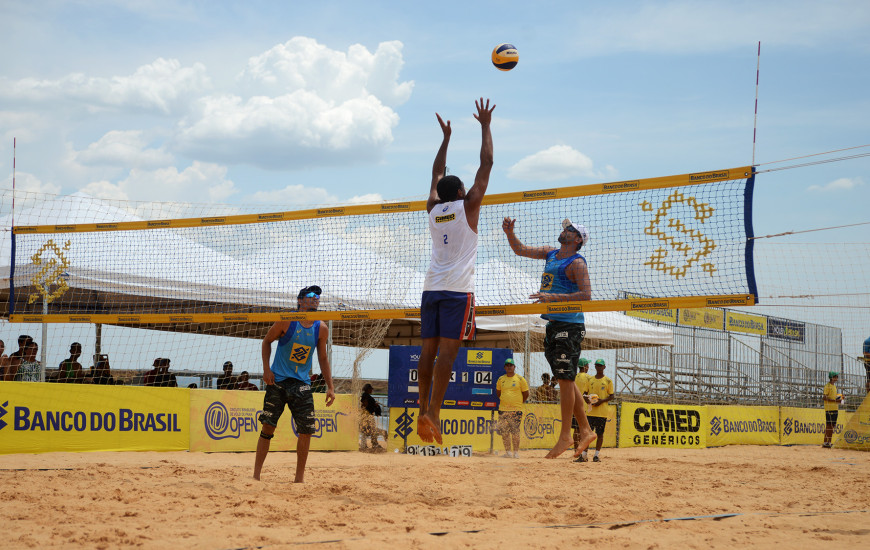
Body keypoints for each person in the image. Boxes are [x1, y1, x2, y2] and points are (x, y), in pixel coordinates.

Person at [417, 97, 495, 445]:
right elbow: (488, 162)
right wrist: (485, 125)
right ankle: (433, 413)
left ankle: (422, 408)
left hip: (431, 288)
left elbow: (436, 174)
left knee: (428, 353)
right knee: (447, 355)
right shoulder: (469, 205)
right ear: (462, 191)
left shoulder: (433, 209)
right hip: (456, 291)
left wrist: (445, 139)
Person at [503, 216, 595, 459]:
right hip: (553, 325)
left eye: (569, 228)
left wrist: (554, 298)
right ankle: (585, 430)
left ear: (577, 239)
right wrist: (510, 232)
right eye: (565, 227)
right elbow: (520, 250)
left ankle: (566, 435)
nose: (564, 229)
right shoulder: (551, 253)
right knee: (567, 379)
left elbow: (586, 295)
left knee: (566, 379)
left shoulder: (577, 263)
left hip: (570, 325)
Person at [254, 285, 336, 483]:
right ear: (300, 301)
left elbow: (323, 358)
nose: (315, 298)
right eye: (310, 295)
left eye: (317, 296)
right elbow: (266, 342)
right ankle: (256, 476)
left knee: (306, 430)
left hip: (302, 383)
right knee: (267, 428)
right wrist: (266, 369)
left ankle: (299, 479)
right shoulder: (287, 320)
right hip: (278, 381)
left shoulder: (321, 327)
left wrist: (330, 386)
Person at [580, 359, 615, 462]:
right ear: (595, 367)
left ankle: (596, 455)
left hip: (602, 413)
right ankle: (584, 455)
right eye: (597, 365)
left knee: (599, 434)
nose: (599, 367)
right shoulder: (590, 379)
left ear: (604, 367)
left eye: (600, 366)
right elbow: (584, 393)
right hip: (590, 412)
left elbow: (612, 396)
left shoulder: (608, 381)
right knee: (587, 434)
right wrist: (586, 399)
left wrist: (601, 401)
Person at [495, 358, 529, 458]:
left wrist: (517, 403)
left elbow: (526, 394)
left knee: (515, 431)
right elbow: (498, 393)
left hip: (516, 410)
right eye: (507, 365)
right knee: (504, 432)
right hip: (503, 409)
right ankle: (508, 452)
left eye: (511, 365)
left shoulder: (520, 379)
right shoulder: (501, 379)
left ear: (514, 367)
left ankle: (516, 453)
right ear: (505, 367)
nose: (509, 367)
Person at [572, 358, 592, 456]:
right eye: (588, 365)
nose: (588, 367)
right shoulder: (589, 377)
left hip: (574, 406)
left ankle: (576, 450)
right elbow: (587, 393)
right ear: (585, 366)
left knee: (576, 430)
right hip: (584, 406)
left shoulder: (573, 376)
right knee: (584, 430)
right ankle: (582, 451)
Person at [360, 383, 385, 451]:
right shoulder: (365, 396)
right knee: (371, 429)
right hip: (367, 415)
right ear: (368, 389)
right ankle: (374, 444)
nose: (371, 390)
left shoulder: (366, 396)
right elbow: (364, 405)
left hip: (367, 415)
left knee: (366, 430)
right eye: (371, 389)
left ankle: (365, 444)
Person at [822, 371, 842, 448]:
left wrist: (839, 399)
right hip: (829, 409)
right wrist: (835, 401)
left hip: (835, 408)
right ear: (832, 377)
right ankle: (825, 442)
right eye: (836, 376)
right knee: (829, 426)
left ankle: (829, 442)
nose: (837, 378)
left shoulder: (834, 386)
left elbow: (833, 397)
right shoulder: (827, 386)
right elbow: (824, 397)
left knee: (832, 426)